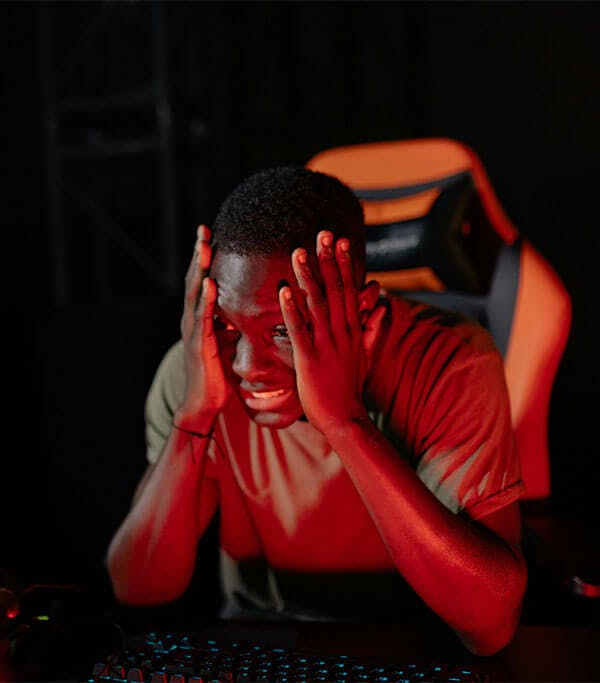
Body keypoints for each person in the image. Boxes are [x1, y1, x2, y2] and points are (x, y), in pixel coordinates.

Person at [106, 166, 527, 656]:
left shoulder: (450, 362)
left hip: (413, 645)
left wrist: (343, 421)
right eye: (228, 325)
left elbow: (491, 625)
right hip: (262, 646)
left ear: (362, 312)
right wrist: (194, 417)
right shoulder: (200, 367)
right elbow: (140, 590)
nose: (246, 366)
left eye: (284, 329)